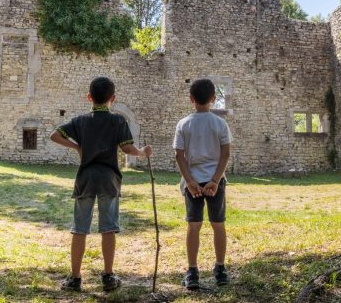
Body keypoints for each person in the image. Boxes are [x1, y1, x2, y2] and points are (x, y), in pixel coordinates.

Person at [50, 76, 153, 293]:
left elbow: (54, 135)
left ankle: (75, 278)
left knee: (79, 229)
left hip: (85, 179)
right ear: (112, 98)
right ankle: (108, 276)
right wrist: (143, 153)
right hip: (109, 180)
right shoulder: (118, 121)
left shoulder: (80, 121)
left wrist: (77, 147)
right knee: (108, 228)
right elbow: (127, 149)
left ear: (89, 97)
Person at [173, 78, 232, 289]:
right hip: (215, 181)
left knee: (194, 225)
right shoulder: (220, 123)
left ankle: (192, 272)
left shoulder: (184, 124)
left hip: (194, 182)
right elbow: (225, 154)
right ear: (213, 99)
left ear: (191, 98)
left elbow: (179, 155)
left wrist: (189, 182)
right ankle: (220, 269)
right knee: (218, 224)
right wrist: (215, 180)